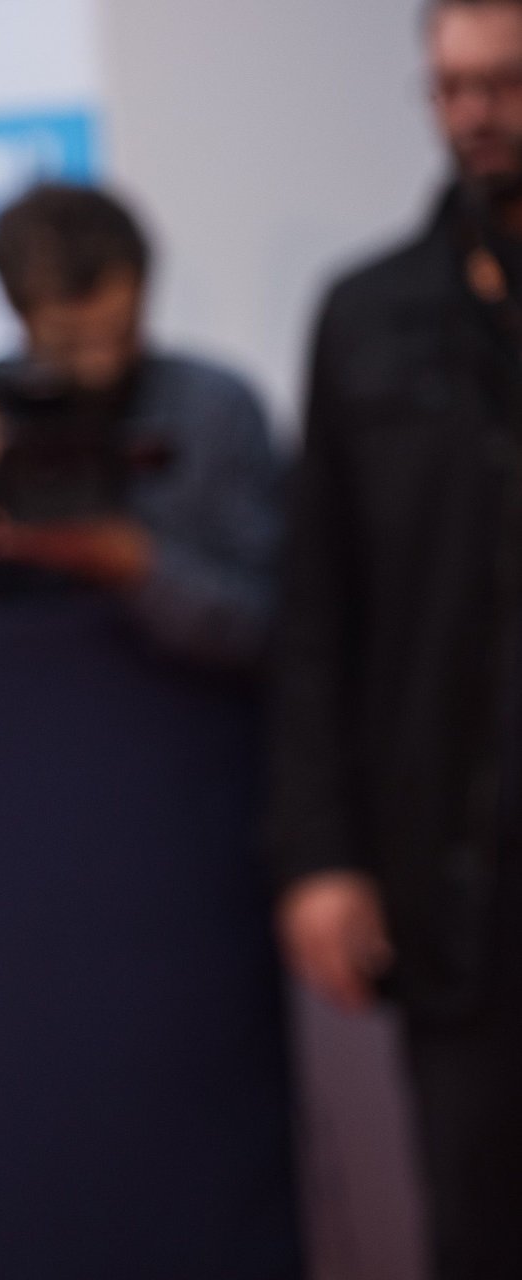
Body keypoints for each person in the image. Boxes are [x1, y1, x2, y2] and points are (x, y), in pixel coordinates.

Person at [268, 2, 522, 1274]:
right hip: (456, 884)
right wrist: (320, 855)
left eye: (506, 83)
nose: (475, 113)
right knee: (477, 1222)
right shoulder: (369, 313)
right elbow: (319, 606)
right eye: (452, 87)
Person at [0, 183, 281, 671]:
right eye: (70, 343)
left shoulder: (215, 410)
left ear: (144, 290)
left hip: (193, 702)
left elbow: (270, 624)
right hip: (27, 696)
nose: (100, 365)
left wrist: (133, 562)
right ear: (18, 312)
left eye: (121, 331)